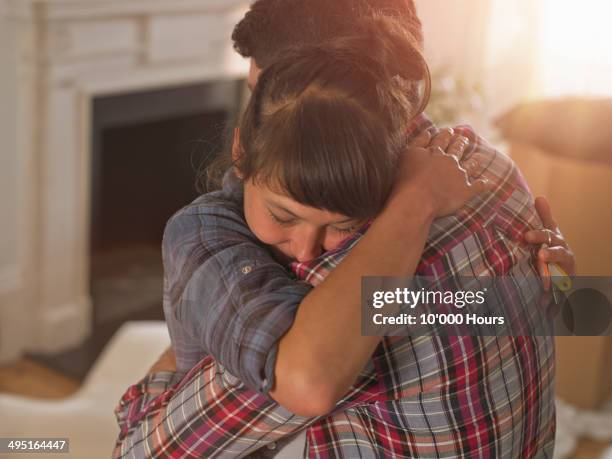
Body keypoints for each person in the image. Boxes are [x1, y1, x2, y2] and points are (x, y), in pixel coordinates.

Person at [113, 2, 576, 458]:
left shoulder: (339, 294)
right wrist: (547, 284)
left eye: (267, 96)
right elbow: (571, 307)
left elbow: (146, 451)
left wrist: (155, 387)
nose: (256, 118)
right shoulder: (490, 167)